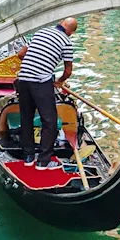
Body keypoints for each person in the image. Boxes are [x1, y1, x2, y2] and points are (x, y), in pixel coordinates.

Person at [16, 17, 78, 170]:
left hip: (23, 80)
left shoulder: (41, 32)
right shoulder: (66, 42)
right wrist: (58, 81)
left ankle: (28, 157)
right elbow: (68, 71)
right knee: (49, 121)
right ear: (71, 31)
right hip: (40, 82)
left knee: (26, 118)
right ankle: (43, 161)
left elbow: (21, 54)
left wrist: (35, 64)